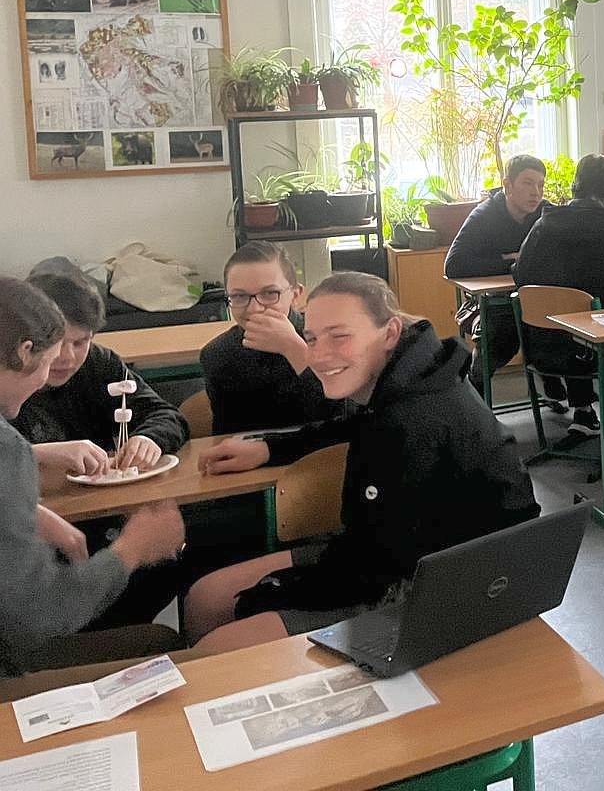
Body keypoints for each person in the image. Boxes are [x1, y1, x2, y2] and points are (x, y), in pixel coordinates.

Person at [180, 273, 541, 653]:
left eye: (340, 336)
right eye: (311, 339)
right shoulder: (414, 374)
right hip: (385, 554)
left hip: (438, 590)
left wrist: (268, 593)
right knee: (205, 598)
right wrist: (270, 448)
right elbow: (355, 426)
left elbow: (369, 574)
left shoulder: (413, 422)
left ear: (389, 333)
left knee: (216, 647)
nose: (318, 356)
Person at [0, 277, 186, 676]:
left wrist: (32, 513)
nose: (65, 360)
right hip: (12, 661)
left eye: (81, 343)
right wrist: (134, 547)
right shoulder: (8, 450)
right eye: (53, 354)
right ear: (25, 351)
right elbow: (35, 616)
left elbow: (163, 414)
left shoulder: (100, 367)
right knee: (161, 646)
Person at [514, 154, 604, 440]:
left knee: (571, 319)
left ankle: (583, 411)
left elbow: (521, 275)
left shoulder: (543, 224)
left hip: (546, 350)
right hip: (602, 351)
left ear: (575, 185)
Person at [19, 271, 187, 468]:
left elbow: (165, 414)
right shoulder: (9, 379)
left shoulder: (98, 363)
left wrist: (149, 438)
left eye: (80, 342)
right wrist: (39, 454)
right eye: (57, 343)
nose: (68, 357)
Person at [201, 242, 348, 435]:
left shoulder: (333, 339)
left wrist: (294, 349)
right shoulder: (218, 354)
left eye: (270, 293)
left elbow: (345, 417)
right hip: (257, 453)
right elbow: (229, 435)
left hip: (326, 450)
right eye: (239, 296)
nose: (255, 308)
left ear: (296, 295)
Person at [444, 155, 553, 381]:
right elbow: (453, 265)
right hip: (490, 301)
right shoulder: (484, 215)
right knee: (501, 337)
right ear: (507, 185)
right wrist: (508, 261)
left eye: (540, 185)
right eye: (528, 183)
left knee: (561, 329)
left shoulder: (545, 212)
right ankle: (476, 385)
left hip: (535, 297)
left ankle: (569, 392)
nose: (536, 192)